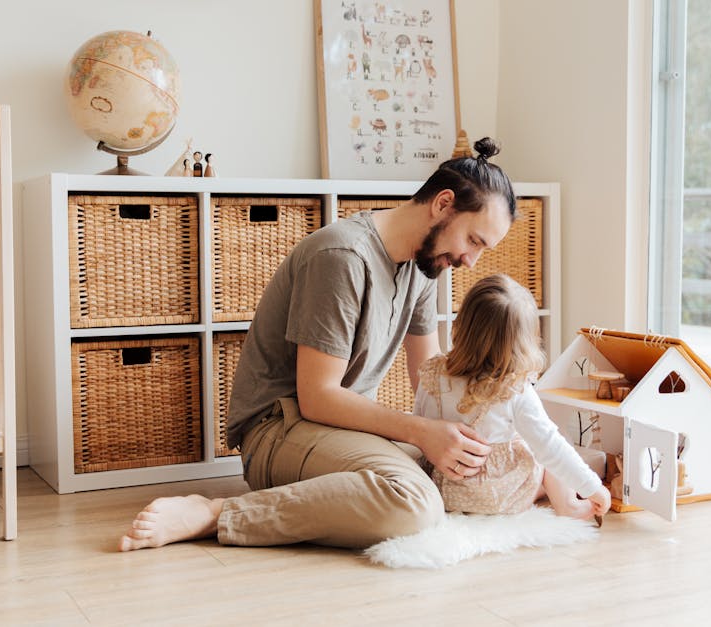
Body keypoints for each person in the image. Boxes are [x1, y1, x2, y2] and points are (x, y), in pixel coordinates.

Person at [119, 137, 518, 551]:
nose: (471, 261)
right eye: (473, 240)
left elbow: (430, 380)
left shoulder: (422, 266)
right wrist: (424, 435)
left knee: (471, 467)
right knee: (416, 503)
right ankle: (217, 513)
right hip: (281, 428)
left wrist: (488, 429)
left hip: (344, 430)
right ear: (443, 204)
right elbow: (317, 397)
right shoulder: (343, 257)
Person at [414, 274, 611, 521]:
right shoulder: (514, 390)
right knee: (544, 448)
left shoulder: (432, 373)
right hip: (497, 495)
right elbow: (551, 447)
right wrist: (594, 488)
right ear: (524, 344)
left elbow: (419, 424)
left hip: (444, 488)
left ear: (461, 325)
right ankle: (568, 504)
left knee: (532, 443)